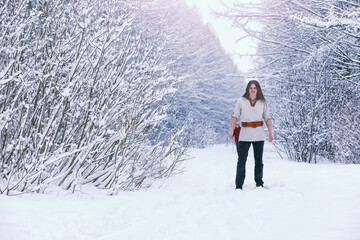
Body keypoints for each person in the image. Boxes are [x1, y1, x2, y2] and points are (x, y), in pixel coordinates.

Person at [228, 80, 273, 190]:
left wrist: (271, 132)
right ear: (248, 89)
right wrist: (231, 130)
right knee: (241, 160)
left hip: (259, 133)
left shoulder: (263, 102)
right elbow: (235, 116)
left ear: (258, 89)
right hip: (244, 133)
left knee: (259, 161)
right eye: (251, 87)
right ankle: (239, 185)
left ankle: (259, 182)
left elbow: (267, 118)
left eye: (255, 87)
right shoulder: (241, 101)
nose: (253, 90)